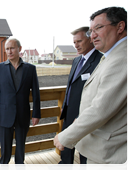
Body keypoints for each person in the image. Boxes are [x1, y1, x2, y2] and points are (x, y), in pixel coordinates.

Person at [54, 7, 129, 170]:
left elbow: (101, 109)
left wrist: (65, 136)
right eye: (91, 31)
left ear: (120, 27)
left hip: (110, 155)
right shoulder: (109, 56)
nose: (93, 35)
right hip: (100, 147)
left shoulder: (123, 58)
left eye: (99, 28)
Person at [48, 27, 102, 170]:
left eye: (79, 41)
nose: (76, 45)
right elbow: (70, 85)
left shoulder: (100, 60)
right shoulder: (77, 60)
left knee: (85, 144)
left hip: (85, 113)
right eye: (74, 42)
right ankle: (64, 166)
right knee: (66, 142)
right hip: (69, 109)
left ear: (90, 39)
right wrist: (64, 105)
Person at [0, 38, 41, 170]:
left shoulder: (30, 69)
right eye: (7, 49)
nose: (9, 51)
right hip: (5, 114)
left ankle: (20, 165)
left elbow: (36, 93)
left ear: (19, 49)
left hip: (23, 113)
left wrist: (36, 114)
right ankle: (4, 166)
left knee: (21, 143)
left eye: (12, 48)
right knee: (5, 144)